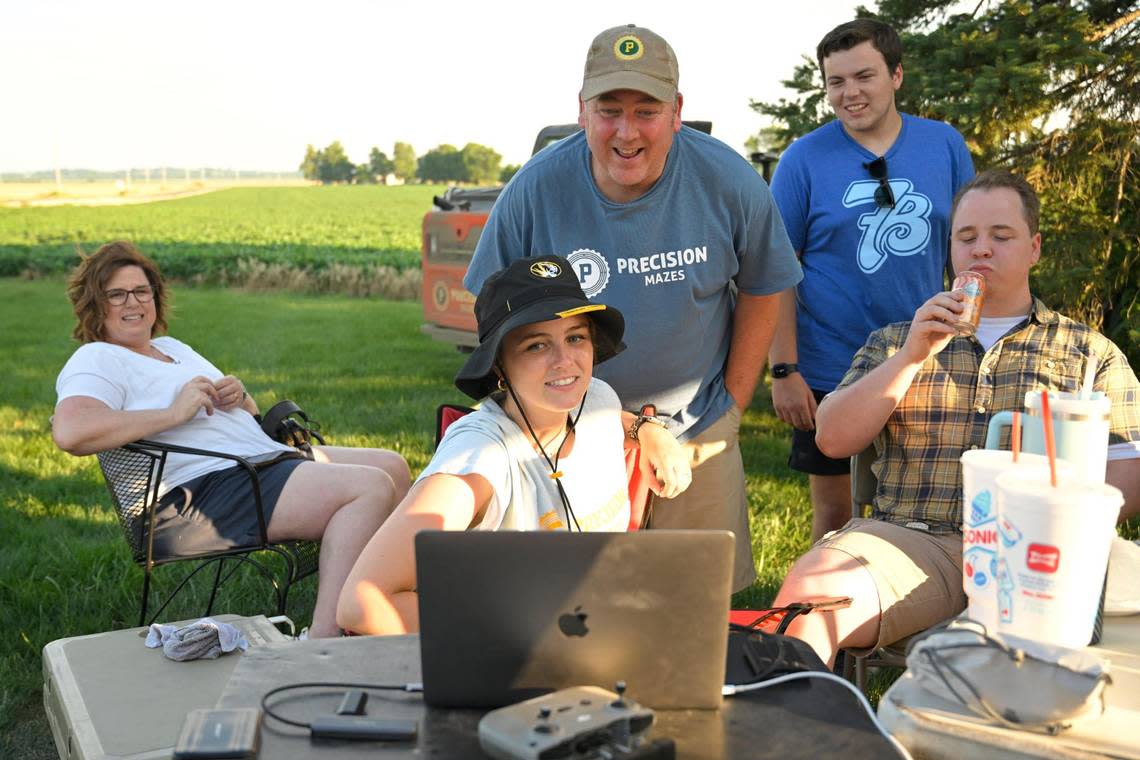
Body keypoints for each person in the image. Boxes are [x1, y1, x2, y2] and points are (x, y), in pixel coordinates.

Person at [463, 24, 802, 592]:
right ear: (582, 111)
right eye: (609, 109)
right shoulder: (536, 190)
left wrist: (734, 405)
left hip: (697, 426)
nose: (626, 132)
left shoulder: (727, 180)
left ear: (677, 111)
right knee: (573, 607)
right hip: (566, 434)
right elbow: (490, 309)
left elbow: (767, 285)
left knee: (696, 610)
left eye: (646, 110)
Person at [772, 170, 1140, 667]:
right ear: (950, 249)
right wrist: (911, 357)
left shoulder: (1088, 352)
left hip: (1041, 552)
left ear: (1034, 247)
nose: (980, 249)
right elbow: (833, 440)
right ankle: (795, 724)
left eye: (1000, 236)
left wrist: (1058, 525)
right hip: (915, 544)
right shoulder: (897, 340)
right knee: (811, 596)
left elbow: (1128, 472)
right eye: (966, 237)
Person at [51, 240, 410, 638]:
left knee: (392, 466)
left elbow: (248, 416)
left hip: (256, 462)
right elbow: (71, 431)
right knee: (368, 487)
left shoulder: (172, 348)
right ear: (94, 305)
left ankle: (383, 606)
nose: (131, 303)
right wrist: (173, 413)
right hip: (199, 496)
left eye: (141, 291)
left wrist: (239, 396)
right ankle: (326, 642)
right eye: (115, 295)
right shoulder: (97, 358)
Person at [336, 255, 692, 636]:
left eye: (576, 337)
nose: (565, 361)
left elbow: (605, 418)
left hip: (604, 626)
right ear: (499, 367)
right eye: (537, 346)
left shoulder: (597, 398)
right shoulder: (482, 460)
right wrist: (522, 628)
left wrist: (648, 429)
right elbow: (362, 602)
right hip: (515, 659)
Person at [768, 18, 975, 541]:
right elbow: (774, 273)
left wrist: (970, 334)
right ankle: (819, 614)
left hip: (924, 358)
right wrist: (784, 369)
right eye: (836, 82)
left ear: (896, 75)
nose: (850, 93)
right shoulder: (803, 160)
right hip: (828, 365)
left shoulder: (943, 145)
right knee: (836, 518)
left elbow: (967, 249)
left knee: (927, 507)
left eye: (864, 76)